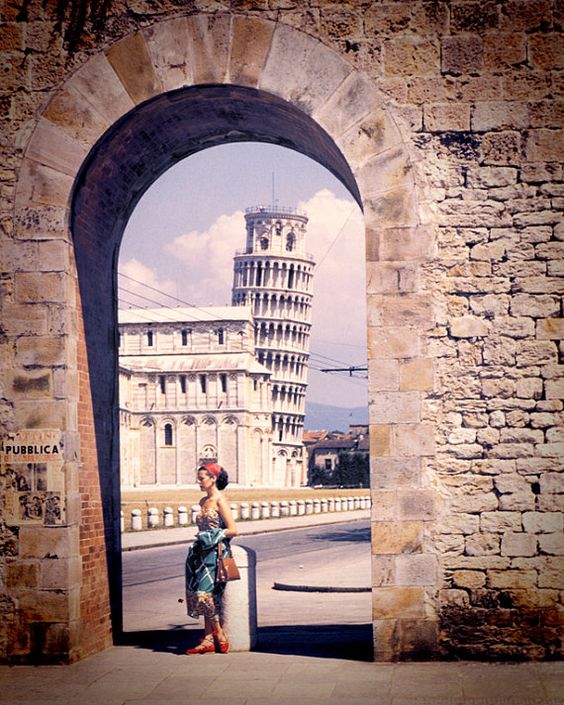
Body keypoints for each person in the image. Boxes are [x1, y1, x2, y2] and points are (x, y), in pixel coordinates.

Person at [184, 462, 237, 654]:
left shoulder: (220, 500)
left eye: (201, 478)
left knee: (203, 594)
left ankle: (219, 633)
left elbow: (233, 530)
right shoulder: (202, 501)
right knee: (204, 596)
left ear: (213, 479)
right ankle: (207, 640)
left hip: (216, 554)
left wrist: (207, 537)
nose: (198, 482)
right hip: (200, 554)